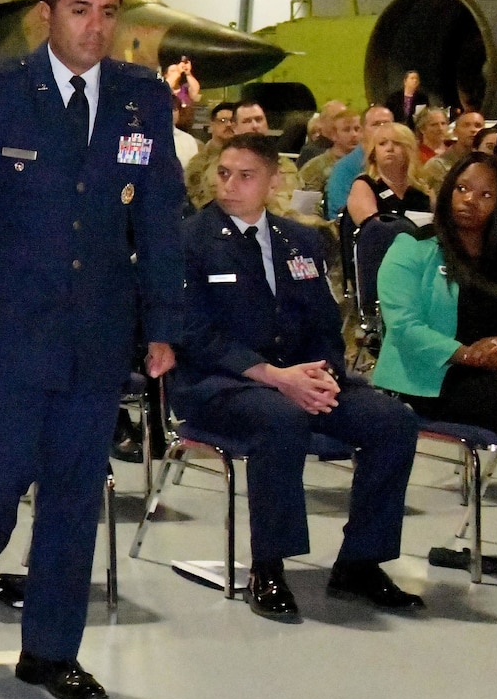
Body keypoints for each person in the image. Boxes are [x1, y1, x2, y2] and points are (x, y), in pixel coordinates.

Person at [0, 0, 183, 699]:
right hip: (11, 326)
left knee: (76, 488)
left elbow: (161, 217)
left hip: (99, 329)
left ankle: (49, 649)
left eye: (108, 12)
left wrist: (163, 320)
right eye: (81, 10)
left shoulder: (142, 99)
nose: (96, 27)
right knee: (2, 477)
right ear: (48, 14)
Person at [175, 135, 422, 621]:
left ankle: (360, 561)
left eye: (245, 176)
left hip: (300, 378)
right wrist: (275, 377)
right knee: (280, 419)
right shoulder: (188, 241)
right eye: (223, 173)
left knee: (392, 421)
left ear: (272, 181)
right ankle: (268, 564)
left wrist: (321, 375)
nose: (229, 185)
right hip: (221, 383)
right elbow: (193, 334)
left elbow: (325, 325)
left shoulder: (302, 241)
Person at [375, 153, 497, 443]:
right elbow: (405, 328)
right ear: (448, 191)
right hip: (437, 376)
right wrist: (473, 356)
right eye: (462, 188)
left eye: (485, 194)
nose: (470, 200)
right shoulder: (413, 247)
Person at [346, 122, 429, 227]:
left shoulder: (422, 188)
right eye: (382, 143)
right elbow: (371, 228)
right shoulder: (364, 185)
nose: (390, 148)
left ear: (409, 150)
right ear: (373, 154)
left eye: (397, 143)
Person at [325, 104, 397, 219]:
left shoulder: (399, 160)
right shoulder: (344, 167)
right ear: (362, 131)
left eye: (387, 123)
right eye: (376, 124)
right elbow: (340, 210)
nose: (383, 128)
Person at [415, 109, 484, 199]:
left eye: (478, 126)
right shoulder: (436, 164)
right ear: (455, 131)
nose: (473, 130)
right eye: (466, 125)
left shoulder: (488, 162)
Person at [181, 100, 237, 198]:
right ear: (212, 125)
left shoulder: (245, 158)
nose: (228, 125)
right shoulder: (198, 162)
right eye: (222, 121)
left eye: (232, 121)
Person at [299, 107, 361, 194]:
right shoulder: (314, 168)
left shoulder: (369, 163)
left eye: (357, 129)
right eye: (346, 130)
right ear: (333, 135)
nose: (354, 134)